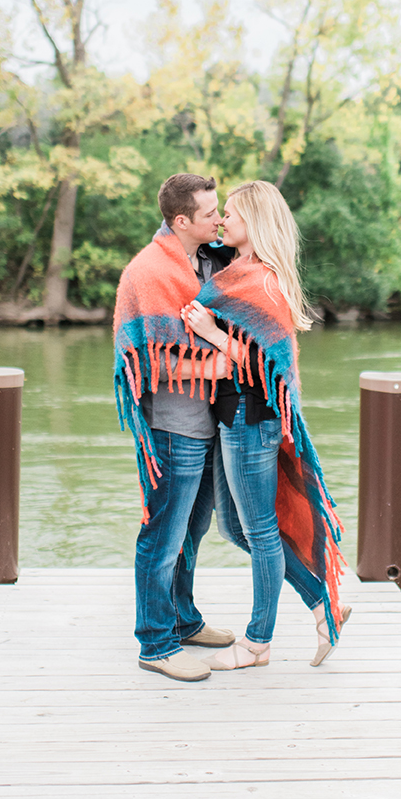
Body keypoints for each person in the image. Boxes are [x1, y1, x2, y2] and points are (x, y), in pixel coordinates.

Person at [182, 180, 350, 671]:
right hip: (231, 417)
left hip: (251, 418)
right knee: (235, 526)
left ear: (253, 222)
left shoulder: (259, 282)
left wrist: (212, 333)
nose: (222, 221)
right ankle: (325, 604)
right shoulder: (238, 272)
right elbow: (183, 237)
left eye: (230, 213)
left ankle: (257, 644)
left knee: (258, 531)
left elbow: (262, 366)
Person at [113, 173, 235, 682]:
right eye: (211, 213)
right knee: (162, 535)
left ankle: (183, 621)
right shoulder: (150, 273)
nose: (221, 219)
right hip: (171, 425)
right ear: (182, 220)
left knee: (192, 530)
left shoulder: (209, 260)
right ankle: (156, 645)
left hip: (208, 420)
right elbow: (147, 364)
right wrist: (218, 367)